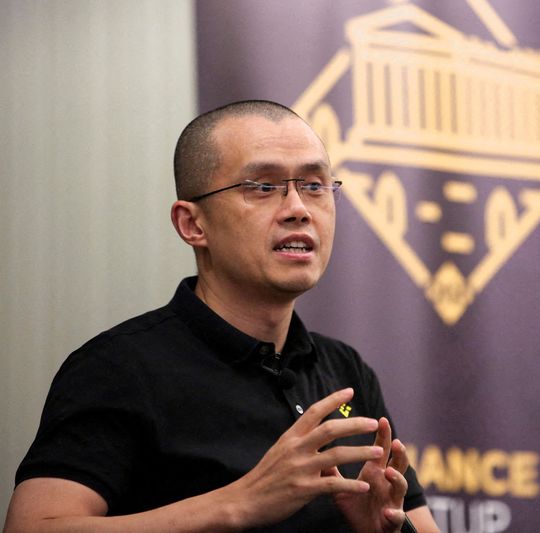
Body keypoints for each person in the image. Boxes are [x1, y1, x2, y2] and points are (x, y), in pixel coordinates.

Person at [4, 100, 440, 532]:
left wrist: (385, 530)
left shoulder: (344, 370)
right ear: (193, 225)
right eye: (263, 187)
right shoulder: (121, 366)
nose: (298, 208)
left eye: (314, 186)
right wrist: (240, 503)